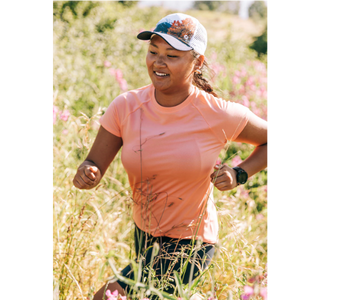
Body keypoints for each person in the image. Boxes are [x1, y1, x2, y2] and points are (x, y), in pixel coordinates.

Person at [73, 13, 270, 300]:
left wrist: (241, 172)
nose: (158, 62)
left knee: (107, 296)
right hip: (145, 233)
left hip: (193, 241)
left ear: (197, 63)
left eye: (172, 55)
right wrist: (87, 173)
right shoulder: (126, 106)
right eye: (153, 52)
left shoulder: (217, 113)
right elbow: (93, 164)